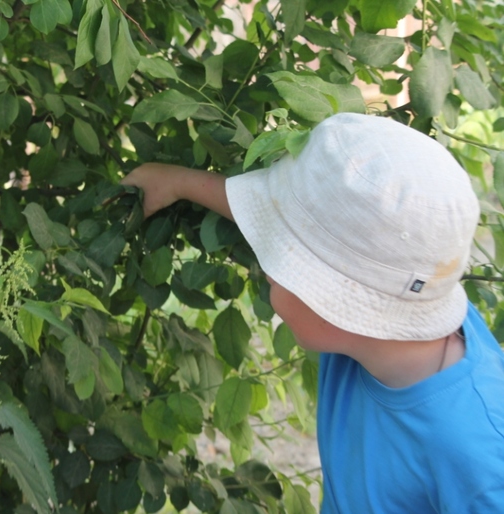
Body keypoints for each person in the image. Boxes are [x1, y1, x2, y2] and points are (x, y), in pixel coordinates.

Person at [121, 113, 504, 513]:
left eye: (284, 253)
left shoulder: (482, 461)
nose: (266, 263)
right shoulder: (409, 312)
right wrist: (178, 181)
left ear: (335, 300)